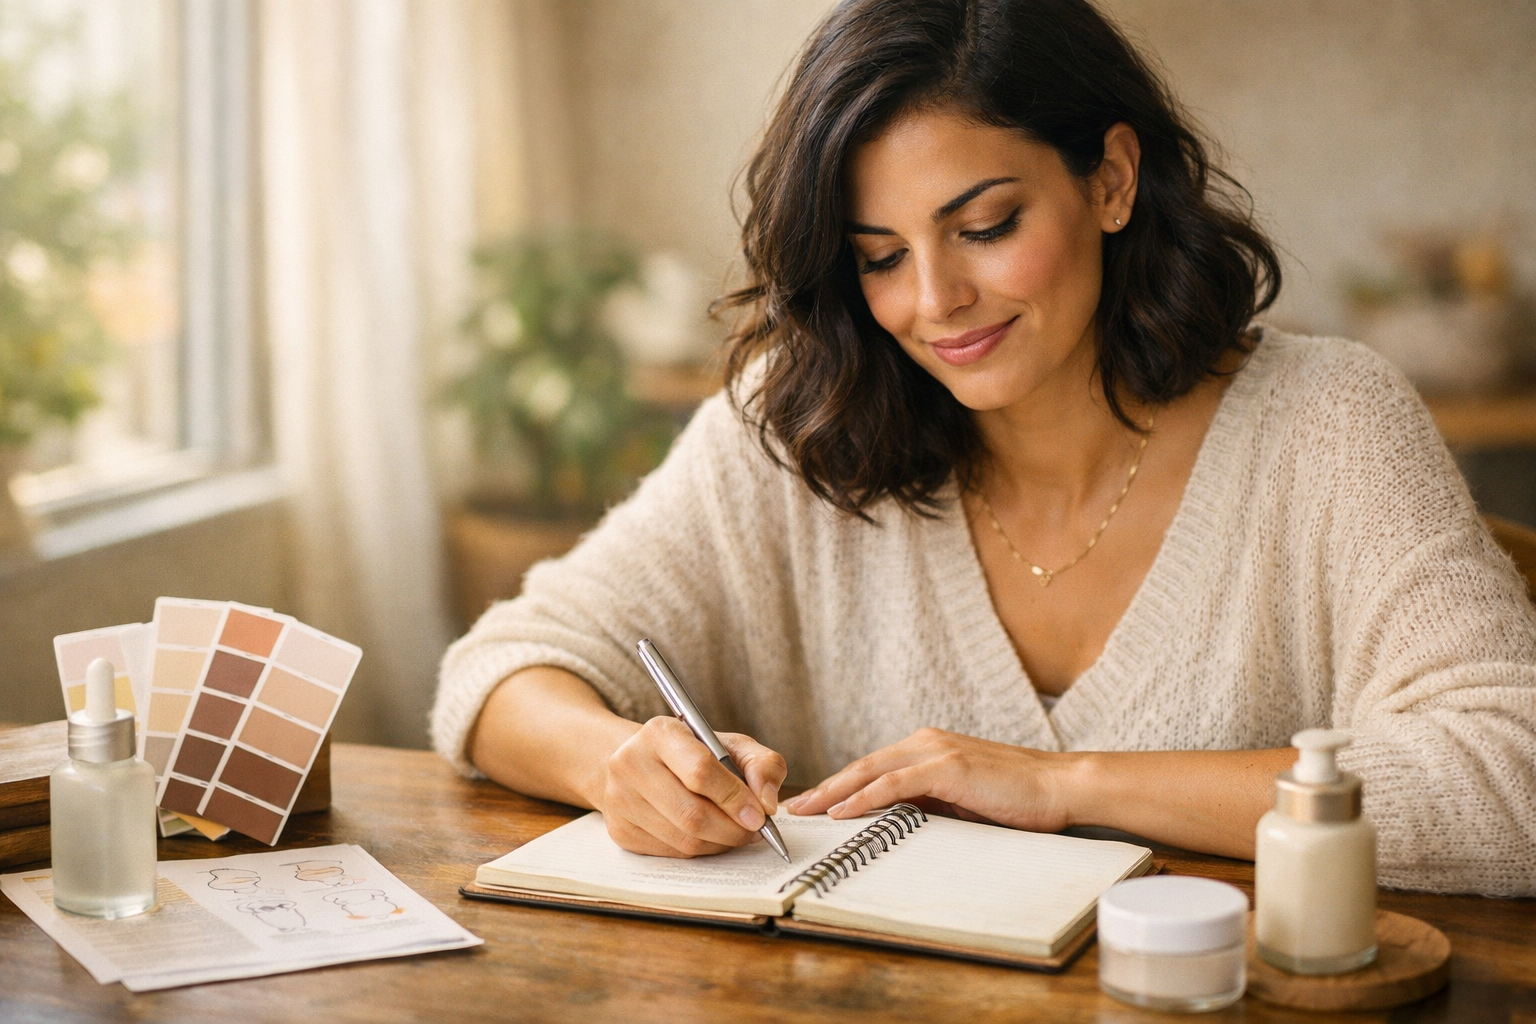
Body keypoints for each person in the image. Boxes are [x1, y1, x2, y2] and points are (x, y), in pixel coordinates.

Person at [431, 0, 1536, 896]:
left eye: (986, 225)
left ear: (1110, 178)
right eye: (879, 257)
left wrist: (1066, 784)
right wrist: (614, 764)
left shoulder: (1330, 425)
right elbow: (501, 671)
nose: (935, 302)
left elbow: (1511, 778)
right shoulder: (799, 425)